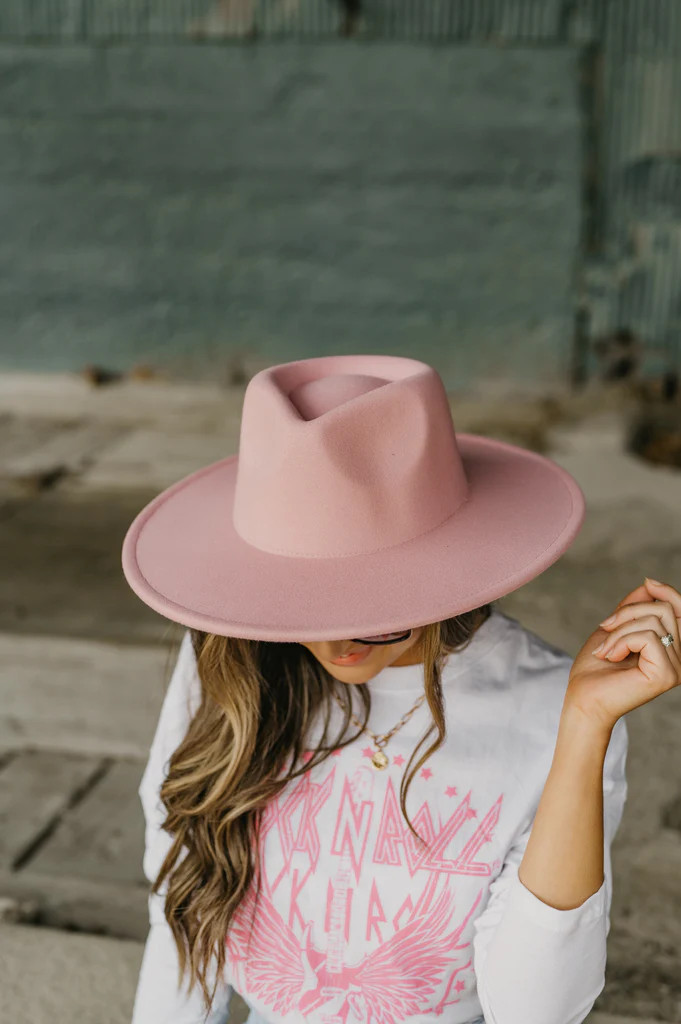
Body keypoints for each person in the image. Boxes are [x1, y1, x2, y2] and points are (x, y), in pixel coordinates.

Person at [121, 354, 680, 1024]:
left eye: (374, 596)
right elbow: (181, 914)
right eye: (298, 598)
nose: (334, 637)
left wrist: (585, 727)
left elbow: (536, 1011)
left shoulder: (552, 711)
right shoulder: (234, 656)